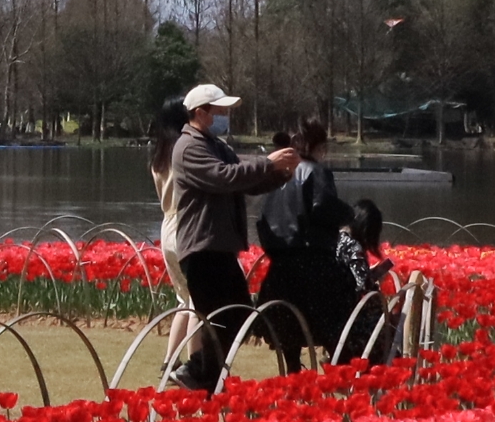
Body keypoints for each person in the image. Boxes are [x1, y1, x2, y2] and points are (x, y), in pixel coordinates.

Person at [157, 83, 300, 390]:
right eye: (219, 110)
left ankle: (202, 375)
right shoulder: (189, 147)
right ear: (201, 113)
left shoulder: (216, 145)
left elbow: (244, 180)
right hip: (201, 247)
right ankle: (199, 373)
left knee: (237, 315)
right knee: (220, 317)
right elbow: (224, 177)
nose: (224, 116)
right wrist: (268, 162)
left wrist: (280, 173)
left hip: (220, 247)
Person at [252, 116, 353, 373]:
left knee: (288, 329)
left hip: (280, 265)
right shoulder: (317, 171)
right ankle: (340, 370)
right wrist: (350, 215)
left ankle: (293, 371)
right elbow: (322, 207)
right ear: (320, 147)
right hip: (312, 263)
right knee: (334, 323)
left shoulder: (280, 174)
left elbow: (264, 219)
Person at [333, 196, 401, 365]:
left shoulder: (335, 239)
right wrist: (376, 276)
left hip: (333, 305)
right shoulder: (353, 246)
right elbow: (362, 286)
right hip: (350, 315)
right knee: (389, 323)